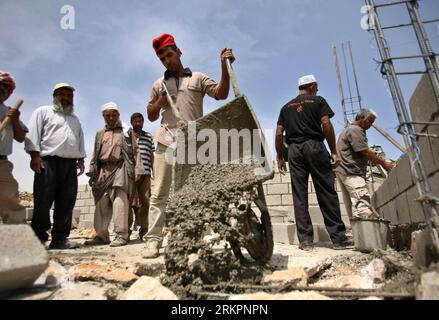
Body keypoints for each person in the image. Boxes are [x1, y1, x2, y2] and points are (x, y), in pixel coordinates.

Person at [143, 33, 235, 258]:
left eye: (169, 55)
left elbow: (221, 94)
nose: (167, 60)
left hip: (193, 143)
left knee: (193, 192)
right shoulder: (158, 85)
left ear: (179, 52)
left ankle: (191, 235)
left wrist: (224, 66)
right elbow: (151, 115)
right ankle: (153, 239)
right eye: (162, 58)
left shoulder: (198, 78)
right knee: (159, 193)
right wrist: (160, 102)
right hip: (166, 142)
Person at [275, 74, 353, 251]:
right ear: (312, 86)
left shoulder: (286, 107)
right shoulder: (318, 101)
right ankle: (339, 239)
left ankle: (306, 241)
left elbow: (279, 133)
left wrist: (280, 157)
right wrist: (333, 150)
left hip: (294, 151)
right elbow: (326, 124)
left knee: (299, 195)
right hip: (315, 146)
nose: (317, 90)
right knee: (326, 191)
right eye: (316, 88)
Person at [25, 83, 85, 249]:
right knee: (43, 201)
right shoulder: (43, 112)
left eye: (68, 95)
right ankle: (38, 239)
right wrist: (34, 155)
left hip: (69, 165)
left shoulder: (75, 119)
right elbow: (33, 134)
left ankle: (59, 239)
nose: (65, 98)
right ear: (55, 96)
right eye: (62, 95)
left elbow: (79, 139)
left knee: (67, 202)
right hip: (48, 162)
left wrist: (80, 159)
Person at [85, 102, 145, 247]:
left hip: (120, 169)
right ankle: (101, 236)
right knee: (101, 203)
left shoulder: (126, 132)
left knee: (120, 203)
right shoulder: (100, 134)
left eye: (114, 115)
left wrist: (138, 170)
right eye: (108, 115)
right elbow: (96, 153)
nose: (111, 117)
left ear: (118, 115)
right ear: (103, 117)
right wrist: (92, 170)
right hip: (103, 172)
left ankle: (121, 235)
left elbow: (136, 151)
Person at [335, 109, 394, 220]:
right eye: (369, 121)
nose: (370, 125)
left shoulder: (348, 130)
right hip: (351, 172)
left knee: (355, 210)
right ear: (361, 118)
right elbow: (364, 152)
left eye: (372, 122)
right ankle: (370, 235)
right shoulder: (355, 130)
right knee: (363, 207)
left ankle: (359, 234)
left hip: (344, 171)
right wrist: (383, 163)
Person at [0, 71, 28, 224]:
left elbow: (20, 137)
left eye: (5, 88)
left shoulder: (10, 112)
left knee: (10, 199)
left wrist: (15, 120)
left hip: (2, 164)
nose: (1, 90)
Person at [128, 112, 155, 240]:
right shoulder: (127, 136)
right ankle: (125, 231)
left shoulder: (149, 136)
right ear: (132, 123)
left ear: (143, 122)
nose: (138, 124)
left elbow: (151, 155)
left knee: (146, 203)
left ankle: (144, 231)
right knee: (127, 203)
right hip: (131, 175)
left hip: (145, 174)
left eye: (140, 121)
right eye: (135, 121)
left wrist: (153, 171)